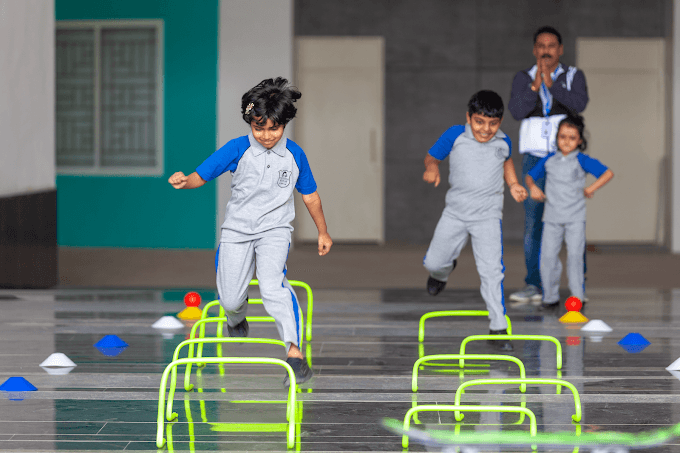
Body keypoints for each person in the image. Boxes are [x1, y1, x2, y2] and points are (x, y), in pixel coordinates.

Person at [168, 77, 332, 386]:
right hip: (237, 231)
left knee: (272, 286)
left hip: (275, 231)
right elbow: (201, 176)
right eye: (259, 128)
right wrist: (184, 181)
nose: (267, 136)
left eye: (274, 128)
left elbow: (310, 196)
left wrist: (322, 232)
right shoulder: (237, 149)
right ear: (250, 122)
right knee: (230, 300)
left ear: (284, 124)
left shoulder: (295, 155)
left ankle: (295, 354)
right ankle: (236, 318)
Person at [422, 90, 527, 351]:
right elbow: (432, 156)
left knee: (492, 271)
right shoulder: (455, 135)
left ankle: (498, 328)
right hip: (455, 213)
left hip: (487, 216)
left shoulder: (503, 141)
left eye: (493, 123)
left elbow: (506, 161)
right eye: (479, 122)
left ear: (500, 122)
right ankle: (442, 271)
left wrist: (513, 184)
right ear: (468, 118)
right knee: (432, 262)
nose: (486, 129)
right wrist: (432, 167)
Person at [508, 26, 589, 303]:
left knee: (571, 221)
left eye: (551, 46)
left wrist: (552, 85)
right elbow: (517, 110)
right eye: (541, 46)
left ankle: (578, 287)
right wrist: (535, 85)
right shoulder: (523, 77)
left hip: (564, 158)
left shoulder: (573, 75)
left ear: (560, 49)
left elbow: (579, 104)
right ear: (534, 50)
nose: (546, 51)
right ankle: (534, 284)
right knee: (534, 222)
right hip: (534, 157)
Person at [525, 114, 613, 308]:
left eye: (572, 138)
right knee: (548, 257)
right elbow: (530, 176)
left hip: (575, 218)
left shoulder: (582, 160)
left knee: (575, 257)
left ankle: (578, 297)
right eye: (562, 137)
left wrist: (591, 188)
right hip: (551, 218)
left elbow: (607, 173)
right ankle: (550, 297)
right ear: (557, 138)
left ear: (580, 140)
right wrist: (533, 187)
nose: (566, 141)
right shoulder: (549, 160)